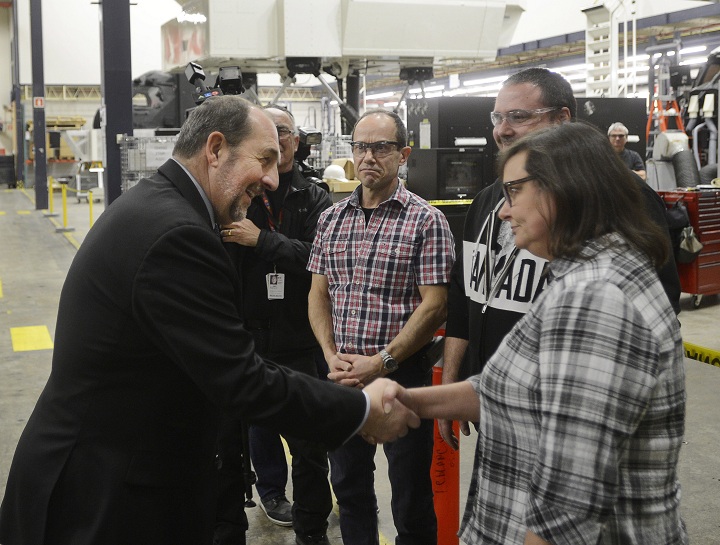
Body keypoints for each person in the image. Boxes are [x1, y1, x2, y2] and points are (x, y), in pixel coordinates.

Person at [0, 96, 420, 545]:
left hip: (107, 478)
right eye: (264, 160)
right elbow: (239, 379)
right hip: (102, 500)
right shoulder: (178, 234)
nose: (272, 180)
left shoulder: (158, 206)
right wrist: (360, 409)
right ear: (215, 149)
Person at [383, 121, 688, 545]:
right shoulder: (582, 276)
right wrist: (406, 401)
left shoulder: (596, 300)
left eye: (514, 191)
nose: (504, 211)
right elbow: (512, 392)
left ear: (564, 189)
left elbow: (566, 510)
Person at [440, 67, 681, 450]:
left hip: (570, 417)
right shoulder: (488, 201)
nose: (502, 129)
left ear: (561, 119)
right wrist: (453, 379)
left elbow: (656, 309)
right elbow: (463, 293)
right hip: (493, 401)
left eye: (518, 117)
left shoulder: (619, 198)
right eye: (497, 117)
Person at [307, 109, 455, 545]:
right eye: (360, 146)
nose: (368, 156)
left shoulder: (426, 221)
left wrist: (382, 361)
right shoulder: (331, 220)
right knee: (350, 488)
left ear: (403, 154)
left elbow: (435, 307)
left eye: (381, 147)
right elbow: (318, 294)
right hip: (342, 375)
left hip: (400, 376)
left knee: (409, 495)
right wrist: (330, 353)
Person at [218, 104, 335, 545]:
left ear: (296, 140)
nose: (278, 141)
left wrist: (261, 240)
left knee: (309, 445)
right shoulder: (238, 190)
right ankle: (270, 492)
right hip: (248, 334)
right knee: (255, 429)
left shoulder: (314, 196)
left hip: (298, 336)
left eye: (284, 132)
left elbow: (317, 258)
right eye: (268, 134)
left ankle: (312, 529)